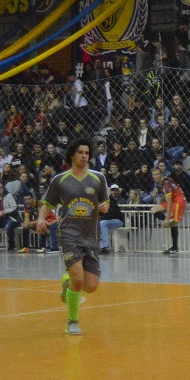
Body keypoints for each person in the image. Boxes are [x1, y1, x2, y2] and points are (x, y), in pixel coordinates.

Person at [35, 138, 111, 336]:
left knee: (90, 286)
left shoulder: (98, 178)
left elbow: (105, 202)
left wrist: (105, 206)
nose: (84, 156)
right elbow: (47, 204)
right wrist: (41, 219)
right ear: (72, 155)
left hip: (91, 236)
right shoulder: (60, 180)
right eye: (80, 153)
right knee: (78, 280)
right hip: (68, 235)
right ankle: (72, 321)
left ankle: (67, 281)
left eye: (87, 153)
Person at [148, 165, 187, 254]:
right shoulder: (162, 181)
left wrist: (167, 218)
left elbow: (169, 203)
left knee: (173, 223)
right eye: (154, 174)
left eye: (157, 174)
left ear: (161, 174)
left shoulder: (166, 185)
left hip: (178, 201)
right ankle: (168, 220)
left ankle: (175, 247)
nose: (155, 176)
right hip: (173, 199)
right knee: (153, 210)